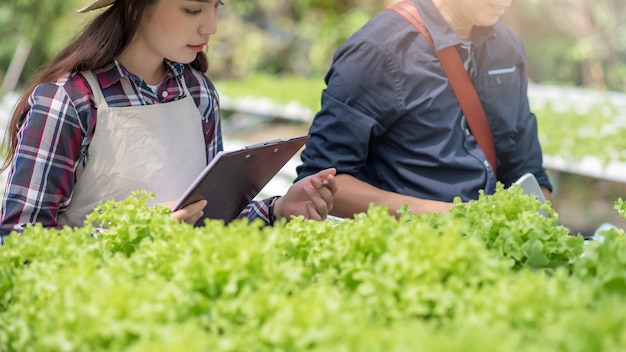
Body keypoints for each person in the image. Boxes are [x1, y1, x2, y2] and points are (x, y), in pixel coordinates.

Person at [0, 0, 337, 240]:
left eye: (216, 5)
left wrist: (278, 210)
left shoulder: (198, 93)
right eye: (193, 9)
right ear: (135, 7)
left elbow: (210, 217)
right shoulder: (69, 101)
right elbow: (18, 240)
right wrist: (136, 233)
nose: (211, 26)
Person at [295, 0, 552, 218]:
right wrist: (454, 217)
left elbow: (526, 167)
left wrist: (533, 222)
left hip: (487, 247)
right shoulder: (377, 50)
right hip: (407, 250)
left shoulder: (508, 48)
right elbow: (322, 181)